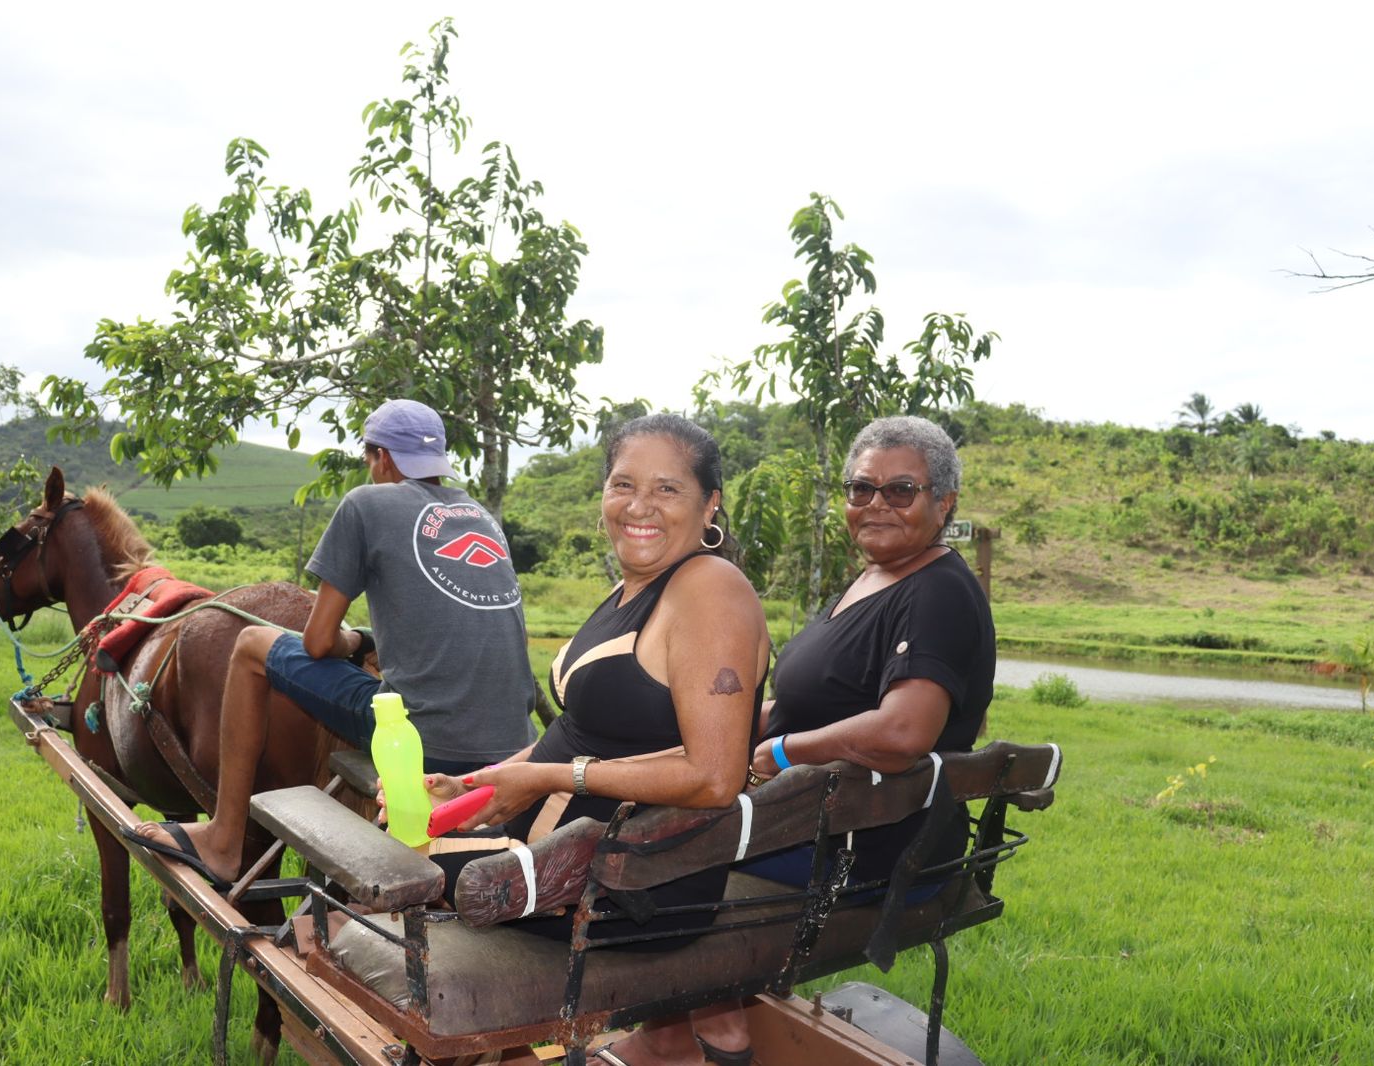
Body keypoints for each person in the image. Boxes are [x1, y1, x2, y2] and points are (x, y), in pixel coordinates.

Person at [672, 414, 997, 1066]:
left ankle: (717, 1029)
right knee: (656, 806)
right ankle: (679, 1030)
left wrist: (788, 751)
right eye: (860, 488)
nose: (875, 504)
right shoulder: (876, 577)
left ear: (944, 502)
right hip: (819, 820)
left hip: (868, 844)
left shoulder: (938, 593)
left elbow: (903, 731)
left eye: (900, 490)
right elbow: (811, 698)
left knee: (651, 850)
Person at [127, 398, 538, 884]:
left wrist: (350, 640)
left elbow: (318, 642)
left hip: (428, 738)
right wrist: (369, 639)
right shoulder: (480, 514)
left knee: (252, 646)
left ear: (382, 458)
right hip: (517, 742)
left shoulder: (366, 503)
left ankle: (223, 840)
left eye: (370, 459)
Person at [415, 413, 771, 959]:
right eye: (623, 484)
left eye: (667, 488)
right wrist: (474, 788)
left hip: (621, 883)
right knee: (385, 838)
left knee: (388, 865)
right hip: (554, 857)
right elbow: (581, 731)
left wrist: (547, 777)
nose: (639, 505)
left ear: (709, 505)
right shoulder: (631, 589)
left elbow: (715, 778)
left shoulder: (711, 590)